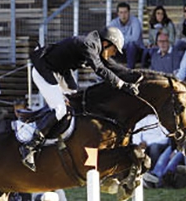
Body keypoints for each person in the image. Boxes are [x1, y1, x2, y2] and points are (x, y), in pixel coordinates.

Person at [25, 26, 138, 172]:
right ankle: (30, 146)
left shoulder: (95, 46)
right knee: (61, 109)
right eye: (114, 50)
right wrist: (122, 84)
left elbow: (111, 66)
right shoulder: (88, 45)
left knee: (75, 100)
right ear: (106, 44)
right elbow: (100, 69)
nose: (113, 54)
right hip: (44, 70)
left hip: (59, 72)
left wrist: (132, 75)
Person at [109, 2, 144, 68]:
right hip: (121, 52)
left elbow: (135, 38)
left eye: (125, 12)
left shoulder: (135, 21)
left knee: (131, 45)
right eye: (121, 12)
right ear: (118, 13)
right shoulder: (114, 23)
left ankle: (129, 72)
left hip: (136, 52)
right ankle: (103, 74)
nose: (123, 15)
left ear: (129, 12)